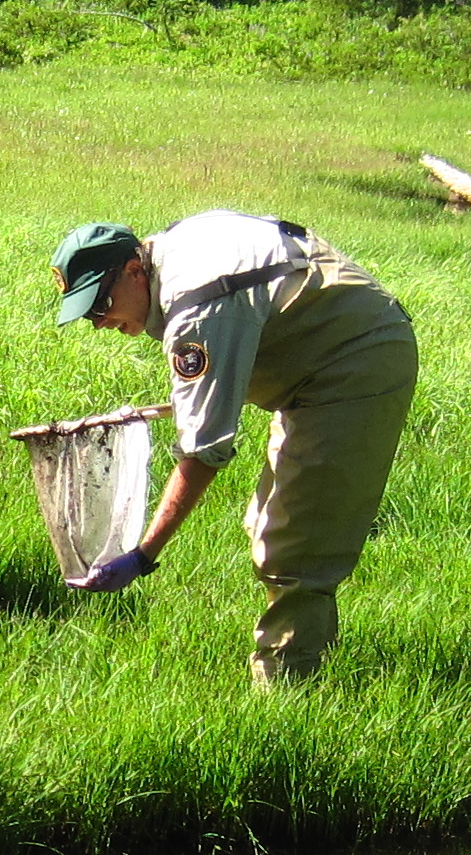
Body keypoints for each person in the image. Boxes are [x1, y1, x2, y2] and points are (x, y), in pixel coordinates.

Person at [48, 212, 417, 687]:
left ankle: (285, 696)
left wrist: (143, 554)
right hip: (318, 362)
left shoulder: (197, 304)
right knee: (267, 523)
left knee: (295, 549)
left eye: (101, 305)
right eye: (89, 315)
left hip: (355, 363)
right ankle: (311, 648)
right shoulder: (177, 255)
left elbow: (206, 449)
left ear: (134, 271)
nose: (100, 324)